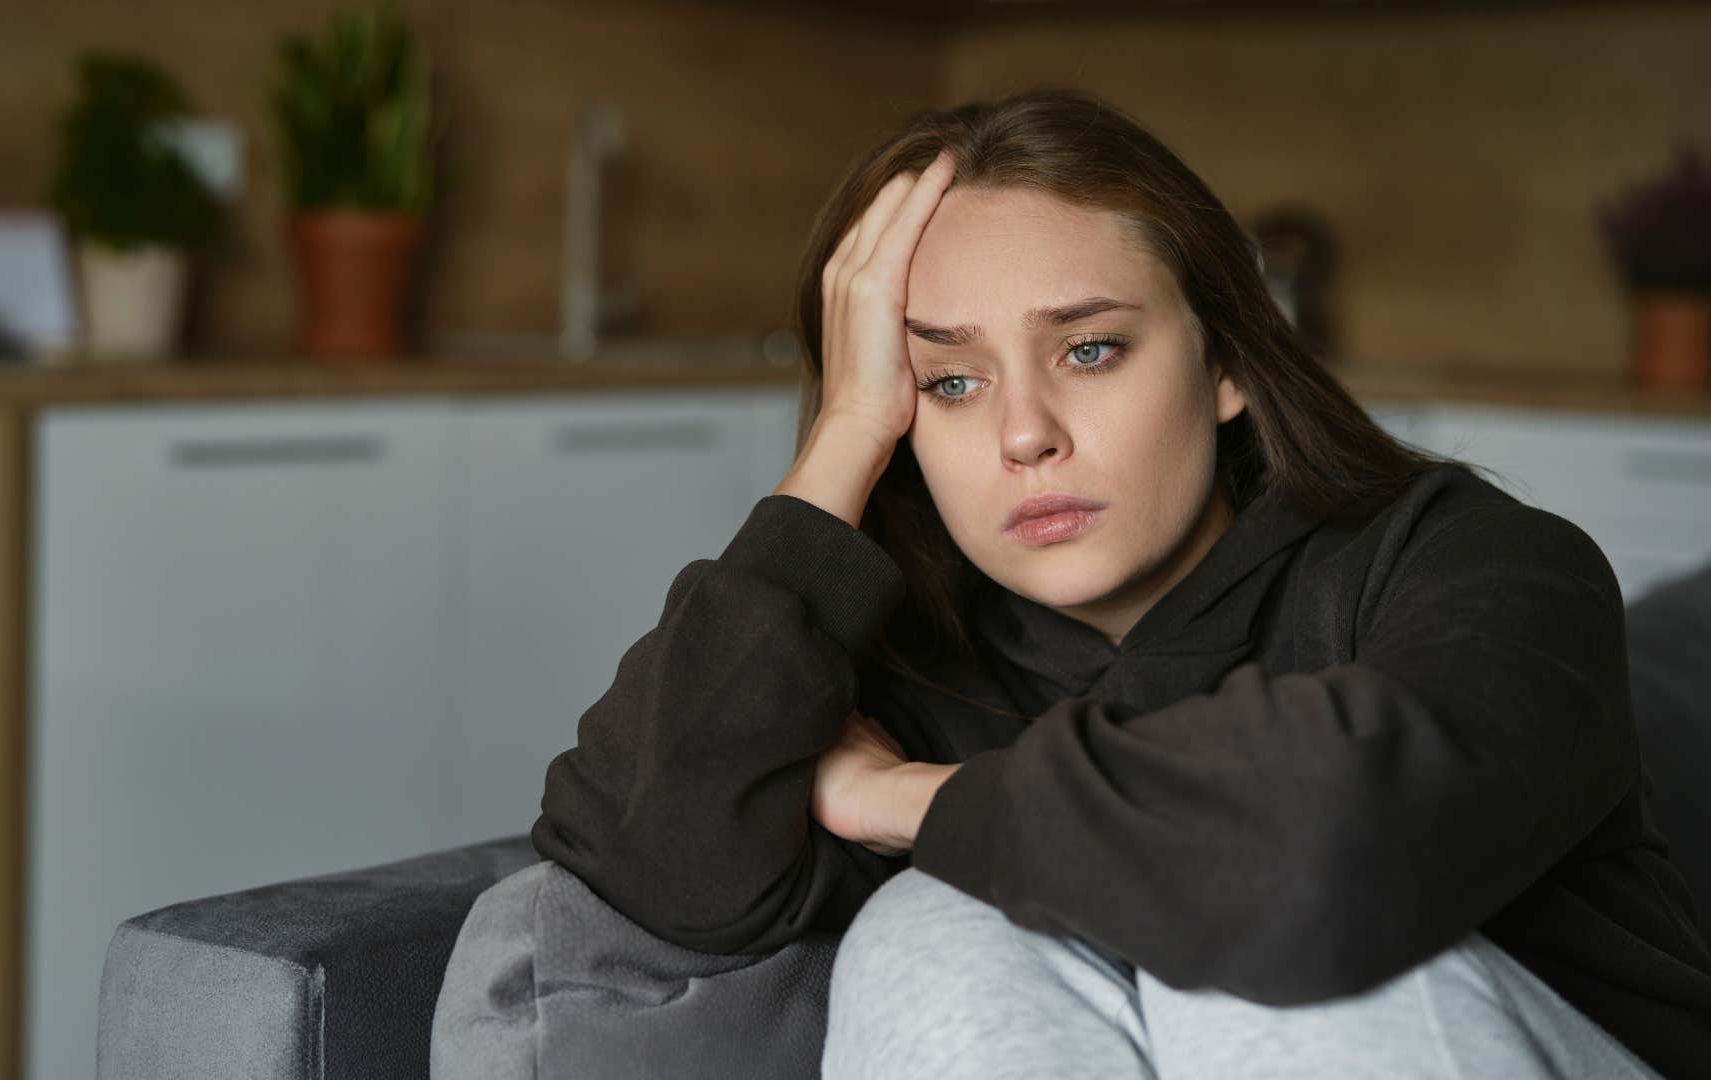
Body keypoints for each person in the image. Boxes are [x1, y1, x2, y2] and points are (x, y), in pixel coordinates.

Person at [528, 88, 1711, 1078]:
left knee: (1240, 954)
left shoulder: (1477, 565)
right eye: (949, 383)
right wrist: (842, 433)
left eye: (1088, 348)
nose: (1025, 433)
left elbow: (1322, 865)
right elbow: (641, 871)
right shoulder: (919, 660)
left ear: (1230, 362)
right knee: (935, 935)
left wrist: (904, 802)